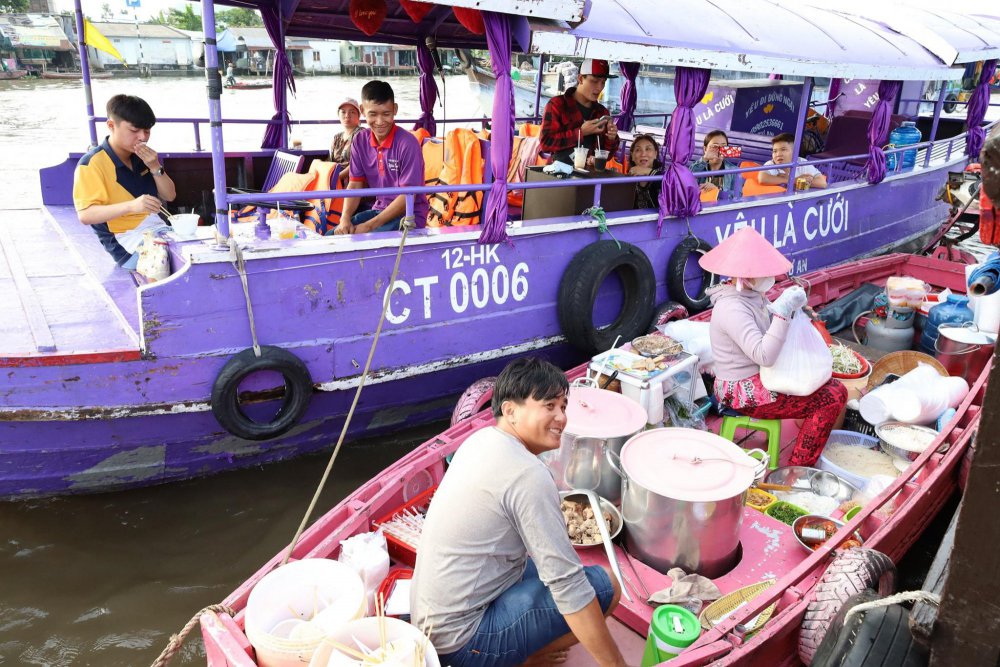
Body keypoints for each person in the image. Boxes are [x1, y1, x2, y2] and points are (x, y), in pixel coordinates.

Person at [411, 357, 626, 667]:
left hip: (430, 625)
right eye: (549, 405)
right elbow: (570, 589)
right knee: (606, 585)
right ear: (509, 410)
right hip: (461, 646)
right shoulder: (528, 475)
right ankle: (528, 659)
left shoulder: (480, 439)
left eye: (564, 407)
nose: (561, 417)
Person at [701, 226, 847, 466]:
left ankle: (803, 452)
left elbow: (772, 325)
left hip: (761, 377)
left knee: (833, 386)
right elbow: (764, 355)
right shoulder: (731, 307)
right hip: (742, 392)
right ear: (746, 276)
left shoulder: (752, 295)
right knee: (831, 397)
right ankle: (800, 467)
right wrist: (782, 313)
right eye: (763, 272)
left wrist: (794, 312)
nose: (770, 278)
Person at [73, 94, 177, 269]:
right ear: (111, 126)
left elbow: (170, 195)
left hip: (158, 230)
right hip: (125, 242)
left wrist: (154, 166)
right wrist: (132, 206)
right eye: (134, 131)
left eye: (147, 131)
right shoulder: (92, 163)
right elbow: (85, 215)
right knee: (171, 261)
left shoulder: (143, 157)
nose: (142, 137)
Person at [333, 80, 428, 234]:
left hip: (408, 217)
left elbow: (408, 196)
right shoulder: (360, 140)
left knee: (357, 238)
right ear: (363, 110)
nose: (379, 122)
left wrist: (369, 226)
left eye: (386, 114)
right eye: (373, 114)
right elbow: (355, 184)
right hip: (378, 211)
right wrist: (345, 218)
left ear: (395, 109)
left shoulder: (408, 144)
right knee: (331, 237)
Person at [540, 58, 620, 166]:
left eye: (603, 82)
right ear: (581, 79)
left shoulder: (602, 112)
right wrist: (580, 133)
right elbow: (546, 143)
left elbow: (607, 155)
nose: (600, 87)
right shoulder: (557, 105)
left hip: (590, 175)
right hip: (560, 173)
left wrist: (611, 138)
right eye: (595, 81)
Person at [758, 132, 828, 189]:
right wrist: (793, 180)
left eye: (783, 149)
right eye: (775, 151)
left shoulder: (802, 163)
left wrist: (791, 180)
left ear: (795, 152)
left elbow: (822, 183)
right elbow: (762, 178)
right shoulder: (771, 164)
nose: (778, 154)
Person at [690, 130, 742, 197]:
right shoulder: (698, 167)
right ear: (705, 149)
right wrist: (704, 159)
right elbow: (688, 179)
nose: (719, 150)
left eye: (723, 146)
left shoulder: (735, 171)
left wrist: (717, 192)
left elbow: (738, 196)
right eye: (714, 146)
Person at [329, 97, 361, 186]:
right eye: (343, 112)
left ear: (359, 115)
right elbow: (331, 162)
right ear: (338, 115)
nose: (347, 115)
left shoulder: (362, 135)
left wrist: (335, 178)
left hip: (354, 184)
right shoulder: (337, 137)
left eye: (352, 112)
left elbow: (358, 164)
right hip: (335, 181)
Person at [628, 133, 663, 209]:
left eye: (648, 149)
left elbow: (674, 187)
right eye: (638, 150)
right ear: (632, 156)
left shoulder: (665, 176)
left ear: (655, 154)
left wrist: (649, 172)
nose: (643, 154)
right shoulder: (628, 180)